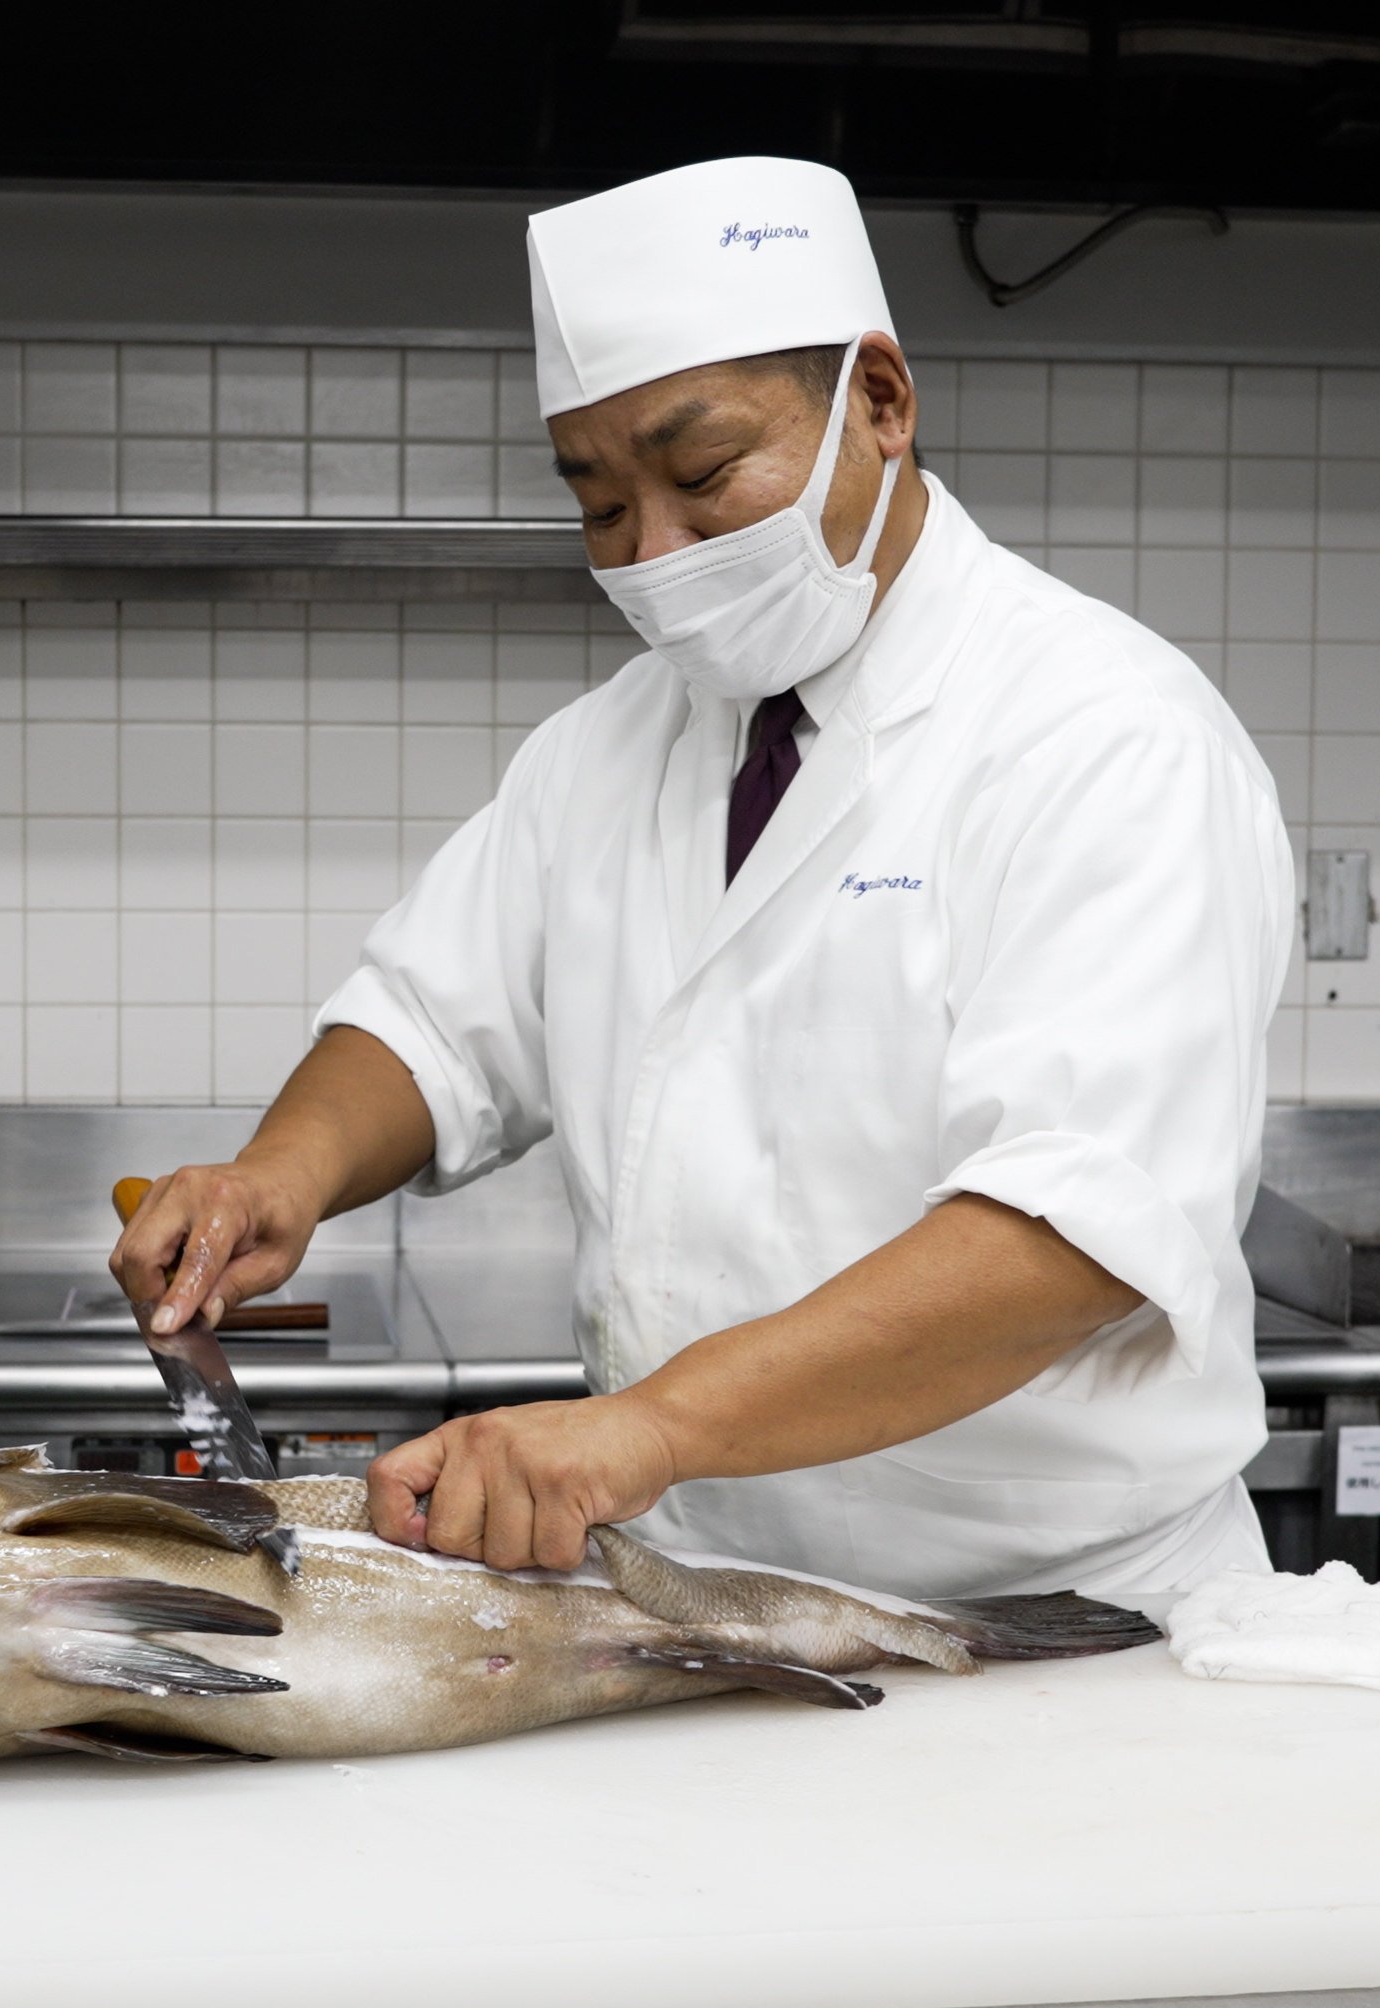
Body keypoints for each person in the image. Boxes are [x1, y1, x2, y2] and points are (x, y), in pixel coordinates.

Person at [109, 156, 1296, 1604]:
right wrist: (278, 1172)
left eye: (702, 475)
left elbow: (1070, 1238)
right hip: (699, 1602)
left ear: (880, 399)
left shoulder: (1105, 739)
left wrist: (646, 1430)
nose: (656, 559)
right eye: (603, 506)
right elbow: (435, 1018)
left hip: (1057, 1627)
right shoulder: (607, 750)